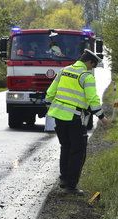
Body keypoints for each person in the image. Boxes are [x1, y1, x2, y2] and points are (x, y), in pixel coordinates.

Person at [45, 49, 109, 195]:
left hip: (58, 117)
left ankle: (64, 179)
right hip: (74, 118)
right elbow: (93, 99)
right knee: (78, 151)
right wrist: (101, 117)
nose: (92, 69)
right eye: (93, 65)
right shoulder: (86, 77)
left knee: (65, 147)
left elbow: (50, 93)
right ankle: (71, 186)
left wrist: (50, 106)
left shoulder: (64, 71)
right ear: (89, 62)